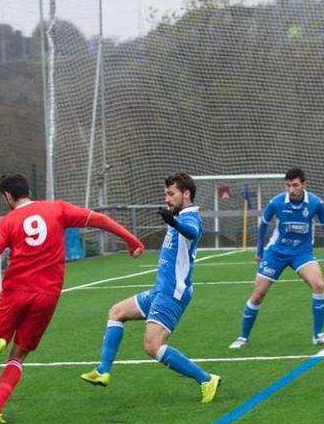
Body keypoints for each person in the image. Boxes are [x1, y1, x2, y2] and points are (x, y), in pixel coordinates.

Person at [0, 173, 145, 424]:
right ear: (28, 190)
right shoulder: (57, 209)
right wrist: (132, 240)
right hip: (47, 297)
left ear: (8, 196)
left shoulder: (7, 222)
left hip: (15, 293)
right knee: (17, 357)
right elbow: (100, 219)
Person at [80, 173, 221, 403]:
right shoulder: (179, 215)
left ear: (186, 194)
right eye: (166, 193)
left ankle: (206, 379)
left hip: (172, 293)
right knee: (116, 312)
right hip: (160, 290)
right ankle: (103, 371)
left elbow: (192, 232)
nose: (167, 199)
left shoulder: (189, 217)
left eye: (171, 193)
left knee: (152, 345)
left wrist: (174, 222)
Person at [228, 167, 324, 349]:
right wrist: (259, 252)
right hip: (276, 252)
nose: (291, 189)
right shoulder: (277, 202)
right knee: (258, 293)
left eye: (295, 185)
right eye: (288, 186)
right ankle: (243, 338)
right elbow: (263, 224)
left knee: (319, 285)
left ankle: (318, 335)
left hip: (302, 253)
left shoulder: (315, 203)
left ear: (304, 185)